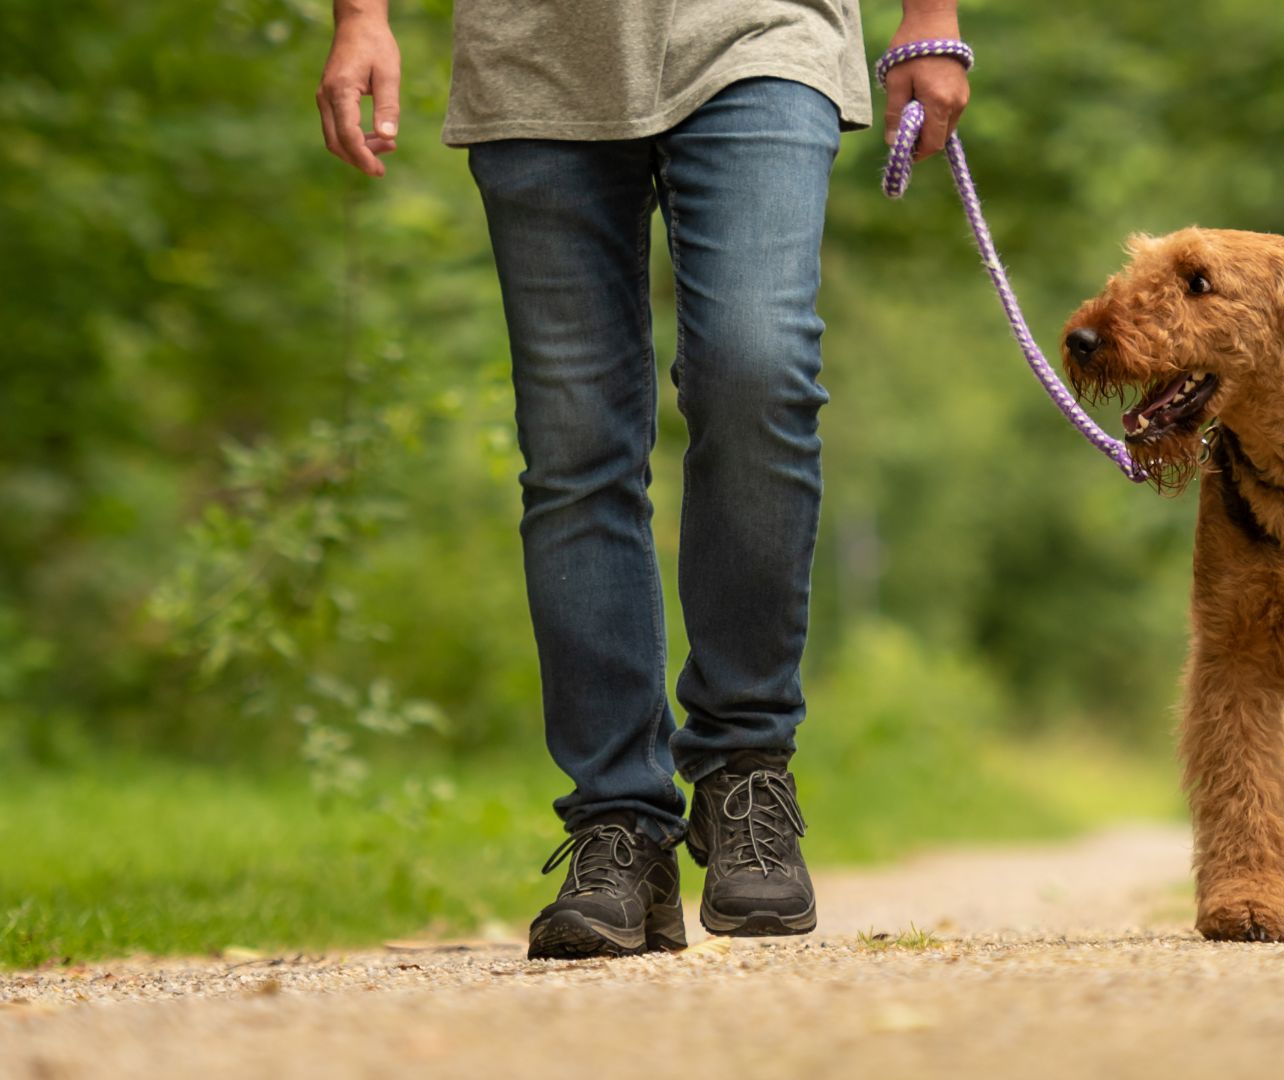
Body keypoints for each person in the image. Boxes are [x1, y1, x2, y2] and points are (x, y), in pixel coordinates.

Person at [316, 0, 970, 957]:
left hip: (762, 31)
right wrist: (361, 16)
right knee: (574, 447)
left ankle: (747, 763)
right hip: (532, 55)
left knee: (758, 367)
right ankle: (617, 825)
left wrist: (931, 17)